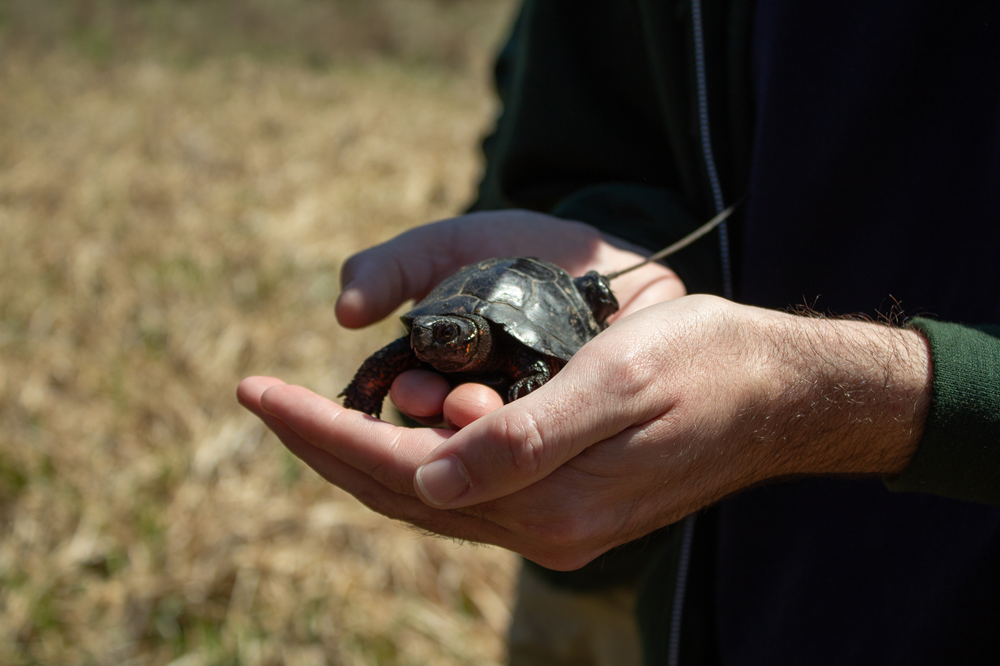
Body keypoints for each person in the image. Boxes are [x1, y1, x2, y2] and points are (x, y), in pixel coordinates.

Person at [239, 1, 1000, 664]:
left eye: (452, 341)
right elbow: (589, 136)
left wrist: (877, 401)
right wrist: (609, 229)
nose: (439, 347)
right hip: (605, 561)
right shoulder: (442, 339)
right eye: (433, 338)